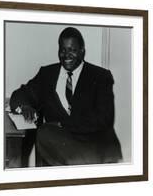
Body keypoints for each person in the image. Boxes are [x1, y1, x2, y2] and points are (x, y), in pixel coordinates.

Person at [9, 27, 122, 166]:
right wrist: (24, 106)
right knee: (44, 132)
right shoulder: (47, 74)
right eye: (62, 50)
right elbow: (20, 94)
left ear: (82, 51)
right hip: (58, 144)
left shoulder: (100, 76)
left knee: (46, 133)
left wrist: (63, 124)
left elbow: (105, 119)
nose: (66, 55)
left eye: (72, 50)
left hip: (93, 144)